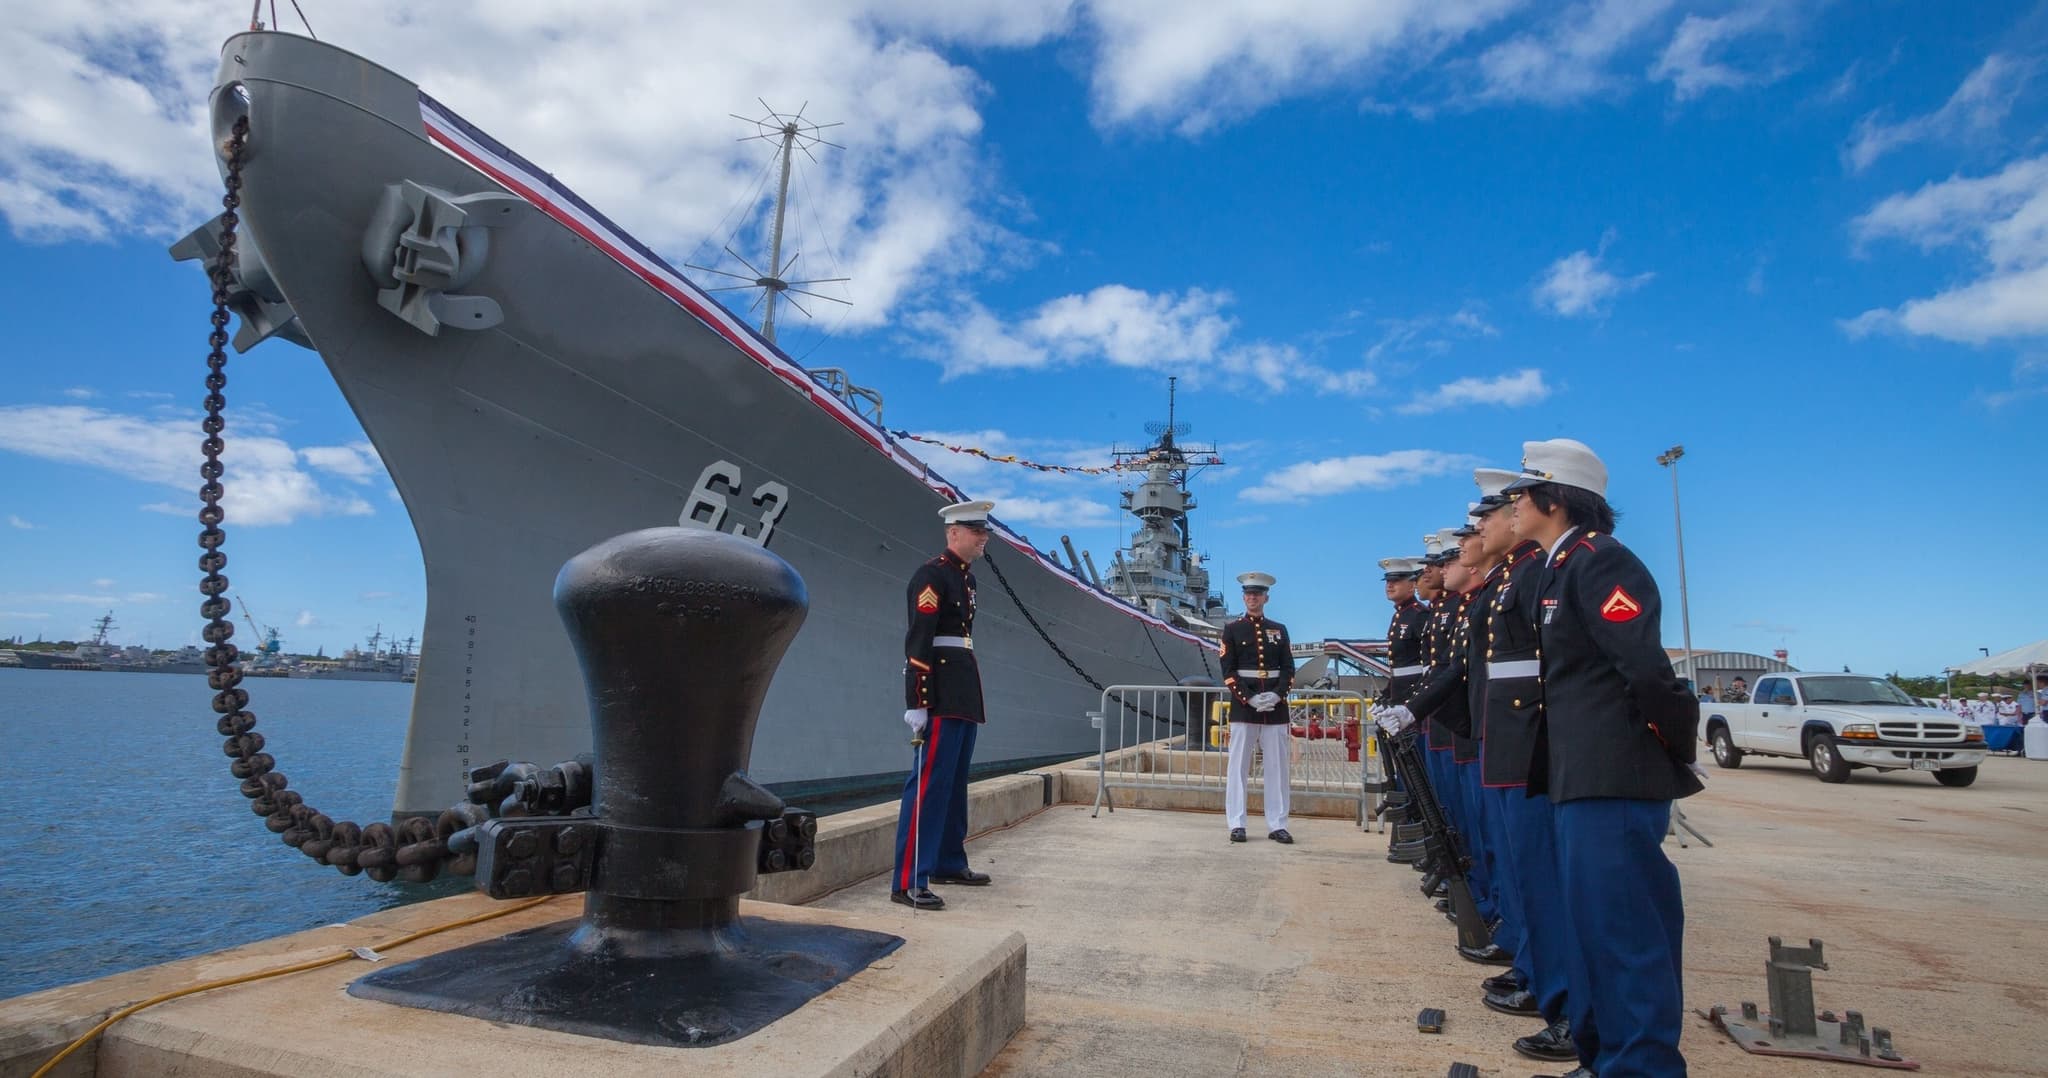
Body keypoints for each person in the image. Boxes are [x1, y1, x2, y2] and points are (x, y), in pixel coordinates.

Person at [1506, 437, 1702, 1078]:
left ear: (1554, 498)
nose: (1514, 503)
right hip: (1579, 776)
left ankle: (1641, 1065)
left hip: (1615, 776)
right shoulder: (1561, 569)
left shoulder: (1602, 563)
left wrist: (1674, 747)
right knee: (1592, 930)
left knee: (1626, 934)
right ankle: (1605, 1057)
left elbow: (1644, 670)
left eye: (1523, 490)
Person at [891, 499, 997, 910]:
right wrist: (917, 701)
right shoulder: (931, 576)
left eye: (984, 530)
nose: (983, 537)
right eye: (976, 531)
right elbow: (919, 640)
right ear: (953, 533)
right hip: (939, 693)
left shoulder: (967, 581)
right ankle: (907, 879)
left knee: (953, 784)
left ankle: (948, 861)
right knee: (929, 787)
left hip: (963, 691)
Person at [1220, 572, 1296, 844]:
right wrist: (1248, 697)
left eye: (1258, 593)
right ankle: (1237, 822)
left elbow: (1288, 669)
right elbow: (1228, 671)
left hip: (1275, 706)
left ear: (1266, 597)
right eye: (1249, 593)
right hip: (1244, 706)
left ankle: (1277, 824)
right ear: (1244, 597)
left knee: (1277, 767)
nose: (1253, 597)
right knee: (1238, 766)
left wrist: (1277, 695)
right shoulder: (1232, 629)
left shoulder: (1279, 629)